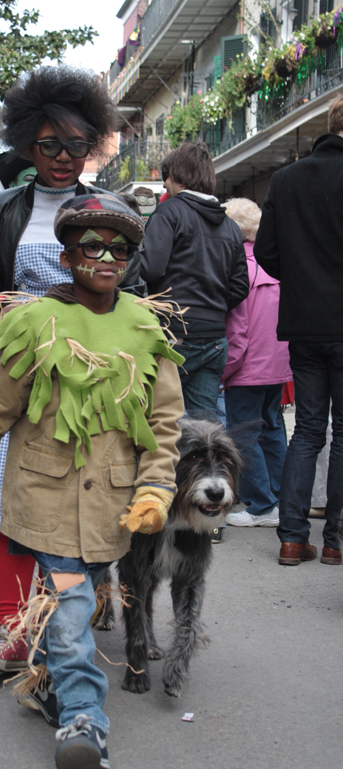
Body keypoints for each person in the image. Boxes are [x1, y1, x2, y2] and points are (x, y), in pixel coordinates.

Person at [0, 194, 184, 769]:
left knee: (70, 605)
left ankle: (45, 684)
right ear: (67, 254)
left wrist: (155, 491)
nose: (107, 257)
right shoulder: (34, 324)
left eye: (119, 248)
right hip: (46, 505)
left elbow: (164, 425)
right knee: (74, 607)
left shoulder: (145, 328)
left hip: (111, 510)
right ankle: (84, 721)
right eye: (93, 246)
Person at [0, 65, 142, 673]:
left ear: (93, 145)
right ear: (26, 144)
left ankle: (60, 625)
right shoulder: (3, 209)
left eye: (76, 145)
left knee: (71, 506)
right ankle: (11, 629)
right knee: (14, 504)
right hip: (21, 375)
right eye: (48, 145)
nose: (63, 158)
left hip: (89, 387)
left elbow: (136, 289)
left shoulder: (110, 211)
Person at [254, 93, 343, 567]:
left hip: (304, 321)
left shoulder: (286, 179)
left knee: (307, 429)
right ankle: (335, 540)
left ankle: (292, 537)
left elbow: (267, 253)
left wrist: (305, 278)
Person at [140, 142, 249, 416]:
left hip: (172, 331)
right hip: (214, 336)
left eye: (166, 177)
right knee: (205, 427)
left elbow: (151, 268)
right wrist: (212, 306)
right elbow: (240, 286)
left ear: (176, 176)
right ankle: (209, 462)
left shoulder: (168, 213)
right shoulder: (232, 228)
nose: (165, 185)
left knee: (160, 420)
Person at [220, 198, 292, 528]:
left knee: (243, 435)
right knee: (273, 429)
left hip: (247, 368)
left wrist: (224, 371)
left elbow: (237, 332)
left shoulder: (238, 269)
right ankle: (280, 498)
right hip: (277, 366)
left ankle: (261, 505)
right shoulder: (276, 266)